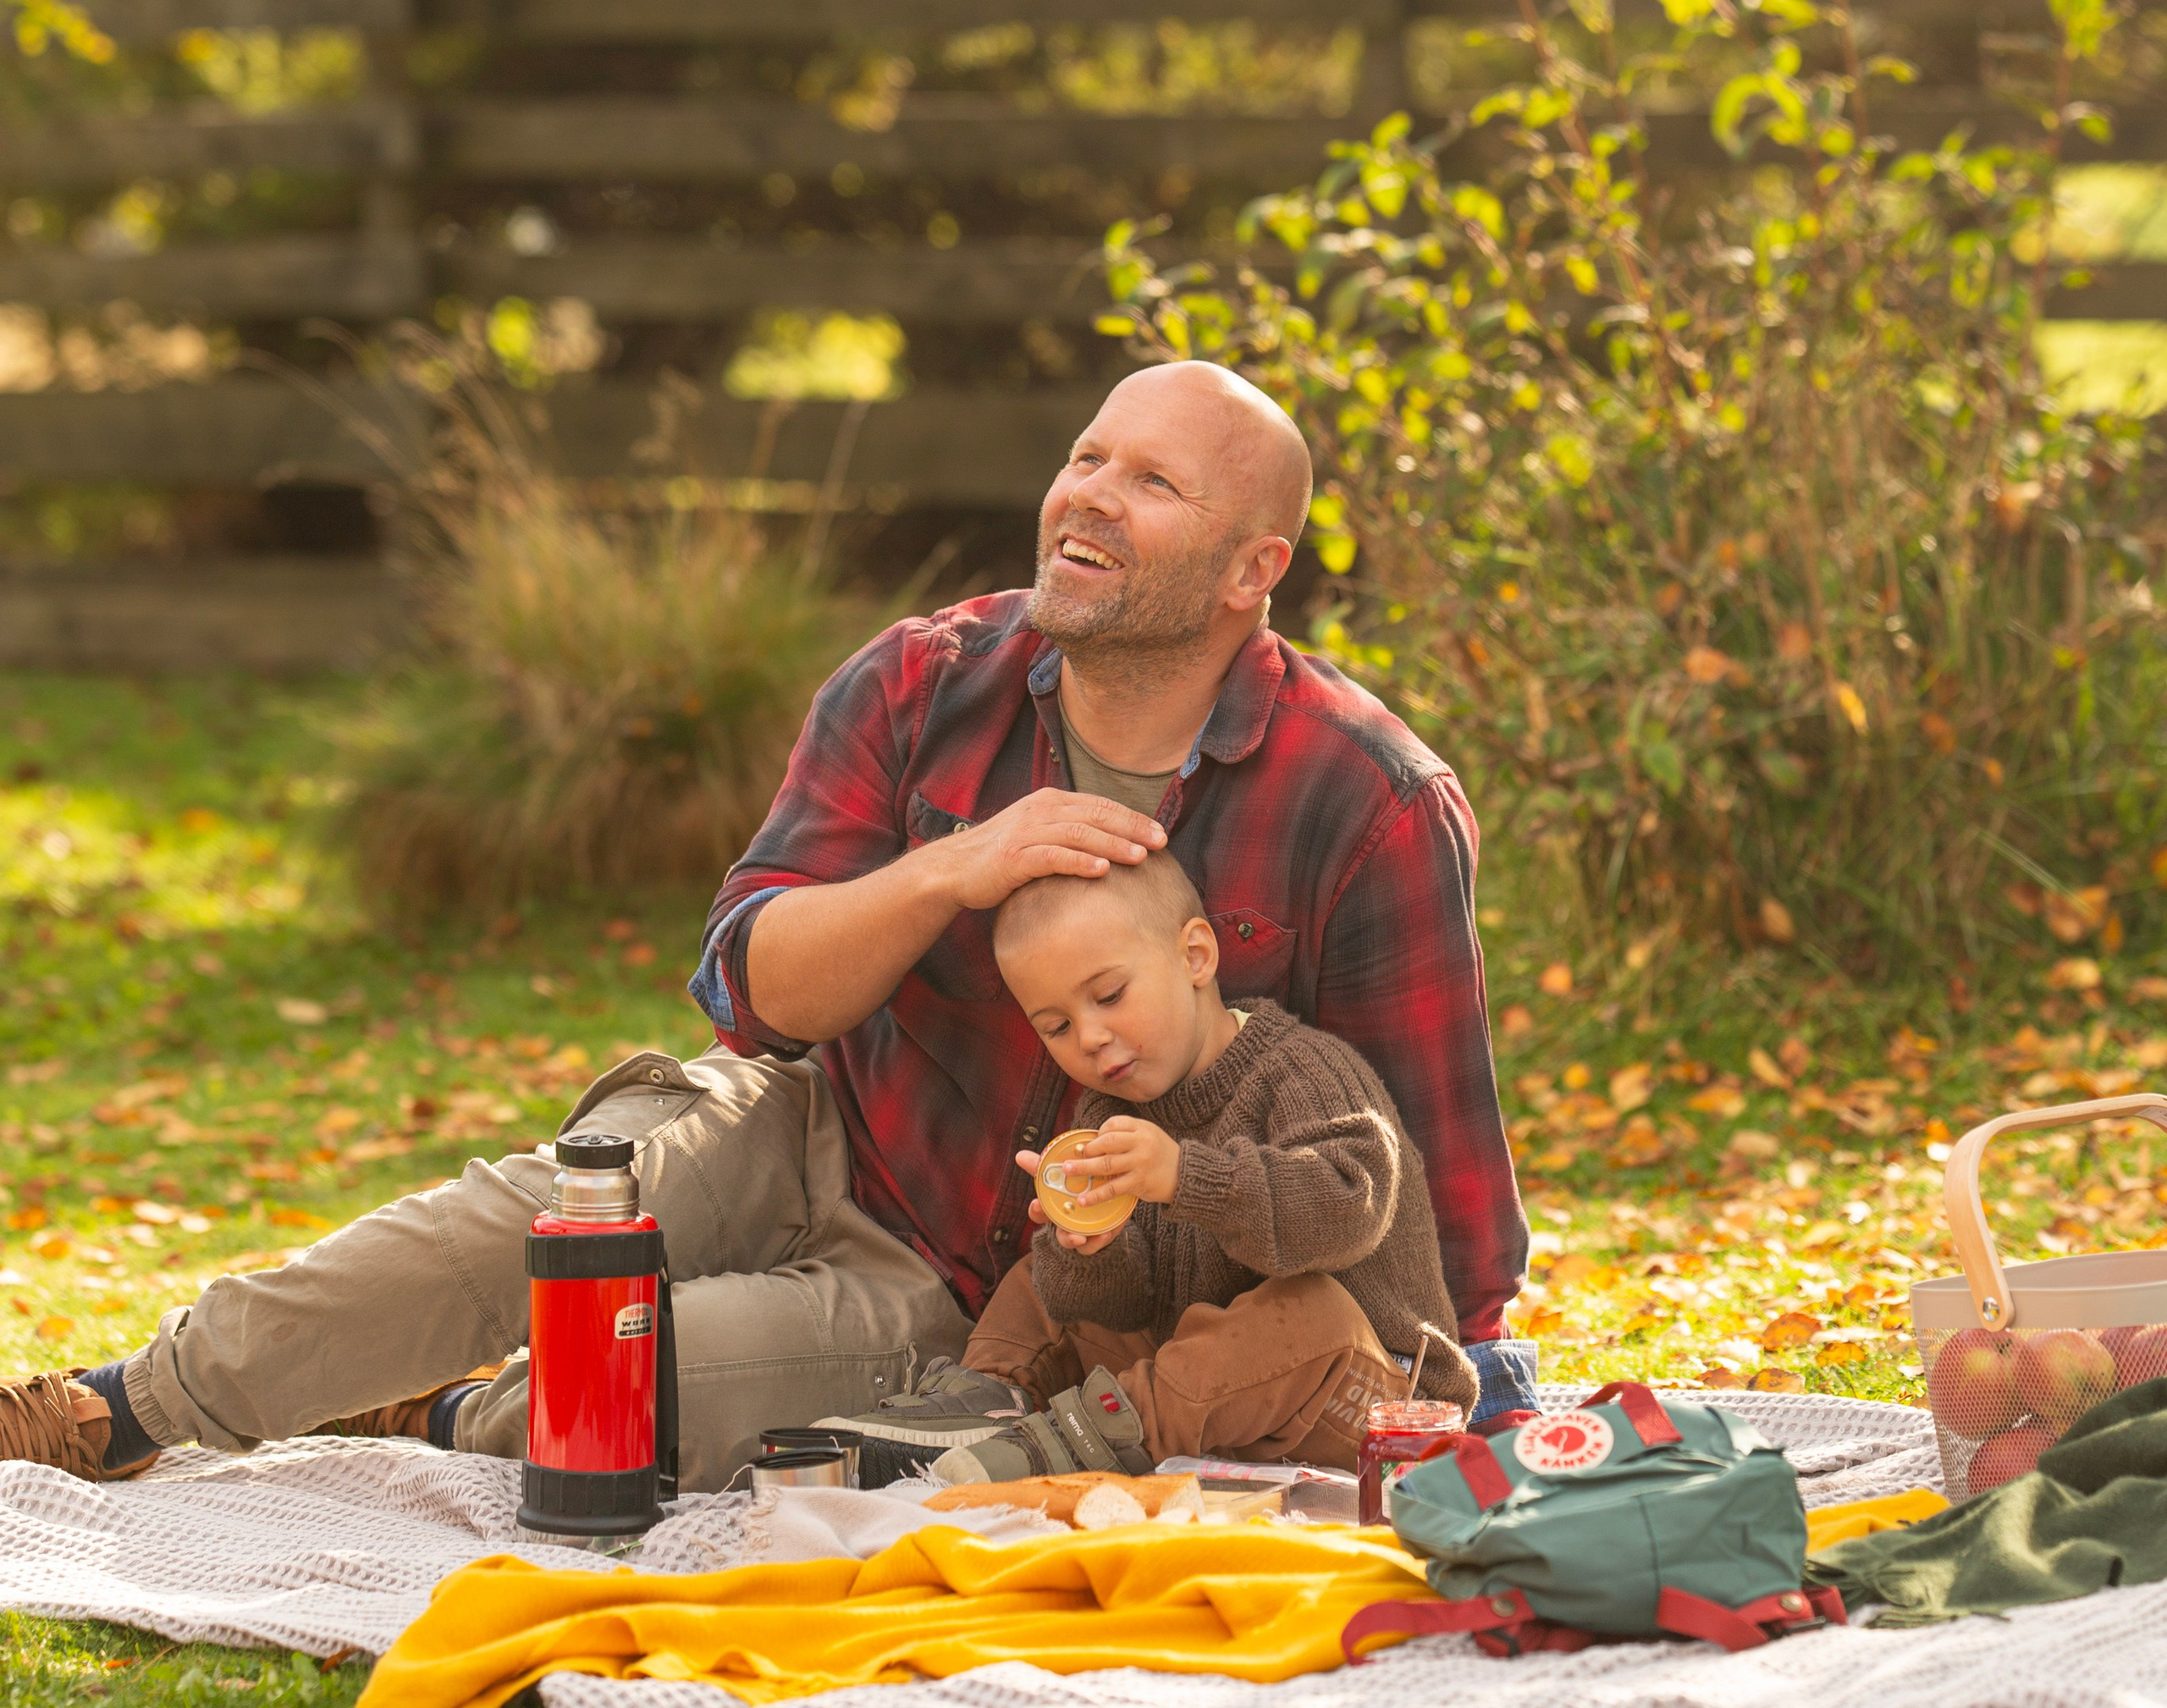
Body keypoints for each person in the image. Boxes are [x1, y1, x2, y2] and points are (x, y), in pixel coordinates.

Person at [0, 361, 1527, 1490]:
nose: (1088, 497)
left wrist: (1456, 1384)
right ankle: (114, 1408)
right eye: (1087, 457)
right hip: (811, 1116)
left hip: (979, 1291)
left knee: (628, 1397)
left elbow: (1425, 1175)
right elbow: (759, 989)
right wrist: (951, 871)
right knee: (526, 1227)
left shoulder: (1366, 800)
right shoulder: (925, 682)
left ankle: (427, 1411)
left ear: (1253, 568)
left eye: (1152, 485)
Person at [823, 847, 1481, 1481]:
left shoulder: (1303, 1071)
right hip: (1208, 1393)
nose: (1090, 1037)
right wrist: (1090, 1250)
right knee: (1040, 1271)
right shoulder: (1106, 1113)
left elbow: (1348, 1210)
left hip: (1374, 1397)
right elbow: (1118, 1307)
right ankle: (987, 1402)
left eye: (1108, 995)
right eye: (1055, 1026)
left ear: (1195, 956)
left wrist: (1184, 1178)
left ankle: (1079, 1440)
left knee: (1309, 1312)